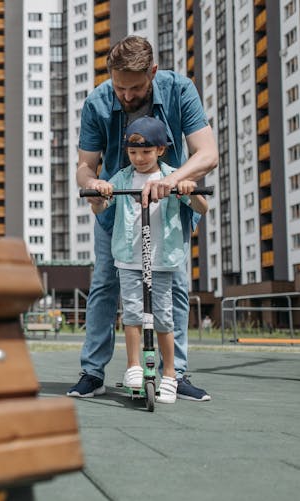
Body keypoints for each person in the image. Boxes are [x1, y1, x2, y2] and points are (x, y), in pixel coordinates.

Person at [67, 35, 218, 401]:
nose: (126, 95)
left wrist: (171, 180)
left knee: (175, 286)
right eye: (120, 86)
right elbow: (85, 166)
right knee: (105, 283)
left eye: (135, 88)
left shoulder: (180, 90)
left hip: (167, 206)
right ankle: (93, 372)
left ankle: (175, 373)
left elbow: (207, 153)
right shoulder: (98, 101)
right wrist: (96, 183)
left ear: (152, 72)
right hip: (119, 207)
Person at [89, 116, 209, 404]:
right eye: (133, 153)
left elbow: (202, 208)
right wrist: (99, 195)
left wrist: (189, 191)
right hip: (130, 260)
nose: (139, 158)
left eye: (145, 152)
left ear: (160, 150)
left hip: (162, 260)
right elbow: (101, 208)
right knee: (131, 315)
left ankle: (170, 374)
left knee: (164, 318)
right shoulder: (121, 178)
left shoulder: (172, 175)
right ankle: (133, 366)